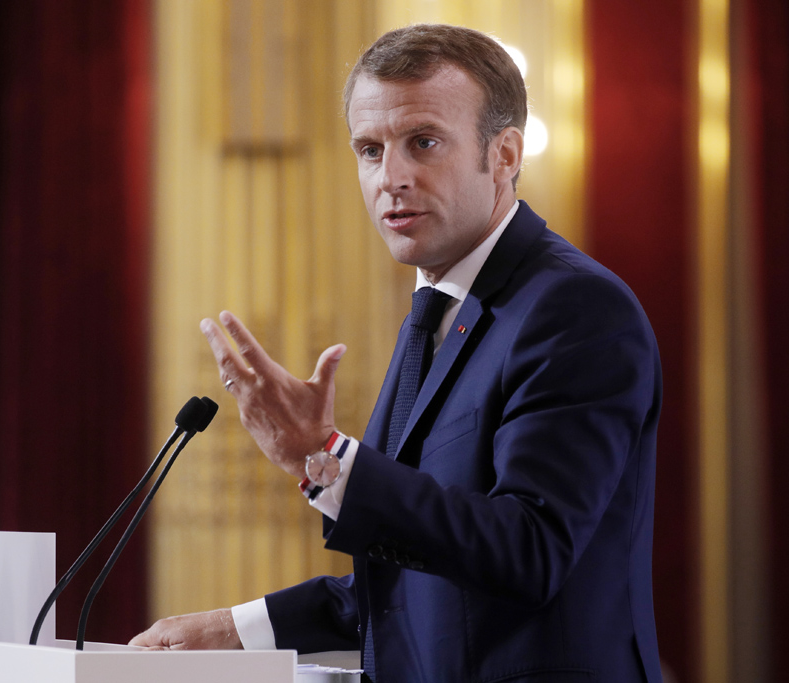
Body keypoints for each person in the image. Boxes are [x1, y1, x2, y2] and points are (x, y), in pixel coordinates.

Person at [131, 23, 663, 683]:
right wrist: (234, 630)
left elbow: (528, 550)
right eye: (369, 149)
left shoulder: (575, 310)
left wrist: (327, 456)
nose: (392, 177)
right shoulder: (439, 312)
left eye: (424, 143)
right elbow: (414, 585)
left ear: (504, 155)